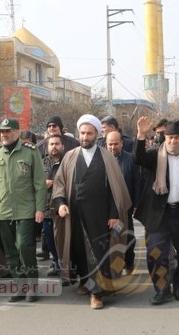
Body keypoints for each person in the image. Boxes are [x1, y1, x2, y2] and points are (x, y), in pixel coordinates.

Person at [52, 114, 132, 310]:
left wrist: (114, 214)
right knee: (79, 249)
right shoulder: (70, 156)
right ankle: (84, 281)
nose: (85, 137)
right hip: (75, 214)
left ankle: (96, 292)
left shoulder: (107, 157)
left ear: (97, 134)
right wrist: (61, 203)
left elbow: (116, 189)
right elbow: (60, 183)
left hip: (100, 215)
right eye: (82, 133)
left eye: (89, 133)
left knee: (98, 251)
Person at [133, 118, 179, 305]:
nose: (173, 141)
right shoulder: (154, 156)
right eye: (170, 137)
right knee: (155, 253)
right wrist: (141, 135)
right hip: (160, 213)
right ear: (165, 138)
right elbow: (137, 158)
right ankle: (162, 290)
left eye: (176, 137)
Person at [0, 118, 47, 302]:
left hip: (26, 210)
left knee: (25, 247)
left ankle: (32, 286)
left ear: (17, 133)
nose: (4, 135)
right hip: (3, 211)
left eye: (8, 131)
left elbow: (39, 183)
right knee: (10, 251)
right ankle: (19, 286)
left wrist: (40, 208)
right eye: (2, 132)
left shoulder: (30, 152)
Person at [106, 130, 141, 274]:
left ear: (121, 143)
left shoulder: (130, 160)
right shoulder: (101, 159)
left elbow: (137, 182)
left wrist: (136, 203)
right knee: (111, 238)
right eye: (110, 144)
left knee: (127, 236)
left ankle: (129, 262)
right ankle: (113, 267)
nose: (113, 147)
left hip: (125, 207)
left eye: (115, 144)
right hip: (106, 208)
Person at [42, 135, 65, 278]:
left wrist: (54, 183)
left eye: (57, 144)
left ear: (62, 146)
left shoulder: (67, 162)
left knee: (63, 239)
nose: (54, 146)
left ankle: (66, 266)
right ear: (47, 146)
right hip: (46, 208)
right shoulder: (41, 163)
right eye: (51, 144)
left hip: (62, 208)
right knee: (50, 239)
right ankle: (55, 262)